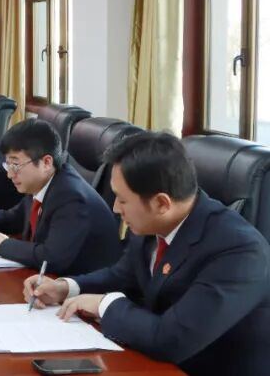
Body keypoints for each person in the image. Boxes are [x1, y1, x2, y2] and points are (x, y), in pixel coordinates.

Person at [24, 132, 270, 376]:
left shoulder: (240, 251)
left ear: (161, 203)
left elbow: (171, 339)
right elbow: (122, 276)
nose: (115, 208)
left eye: (122, 200)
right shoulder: (153, 223)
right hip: (152, 362)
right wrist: (66, 288)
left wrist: (104, 305)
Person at [0, 119, 121, 275]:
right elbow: (15, 217)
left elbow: (51, 258)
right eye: (8, 165)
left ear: (46, 163)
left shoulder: (72, 197)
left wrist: (3, 244)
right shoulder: (43, 183)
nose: (10, 174)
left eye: (15, 165)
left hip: (83, 292)